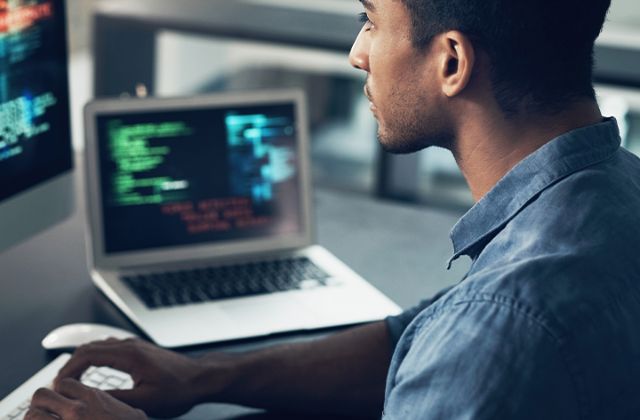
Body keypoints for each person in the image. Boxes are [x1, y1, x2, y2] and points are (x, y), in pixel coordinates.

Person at [27, 0, 640, 418]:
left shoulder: (499, 327)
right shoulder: (614, 188)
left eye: (372, 20)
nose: (357, 52)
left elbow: (468, 342)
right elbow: (413, 339)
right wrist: (203, 377)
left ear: (451, 62)